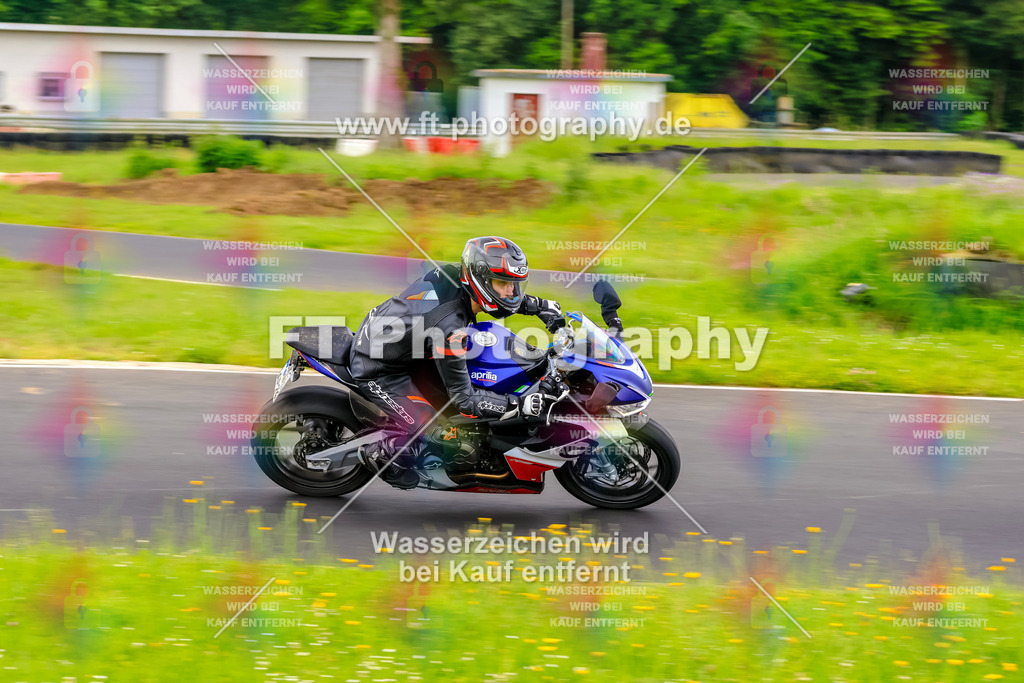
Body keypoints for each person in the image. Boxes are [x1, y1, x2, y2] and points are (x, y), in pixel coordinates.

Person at [348, 236, 565, 488]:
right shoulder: (450, 331)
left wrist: (538, 306)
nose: (512, 292)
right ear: (479, 280)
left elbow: (499, 300)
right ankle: (382, 453)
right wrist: (518, 405)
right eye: (504, 283)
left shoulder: (455, 275)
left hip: (401, 345)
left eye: (516, 285)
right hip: (379, 369)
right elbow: (465, 399)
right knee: (442, 438)